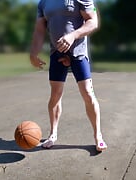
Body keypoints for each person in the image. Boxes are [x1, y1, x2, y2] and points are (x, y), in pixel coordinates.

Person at [29, 0, 107, 152]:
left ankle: (98, 136)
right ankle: (53, 134)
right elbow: (40, 29)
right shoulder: (43, 2)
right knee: (55, 94)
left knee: (87, 93)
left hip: (78, 52)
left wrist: (73, 35)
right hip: (56, 52)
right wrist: (33, 52)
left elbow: (93, 21)